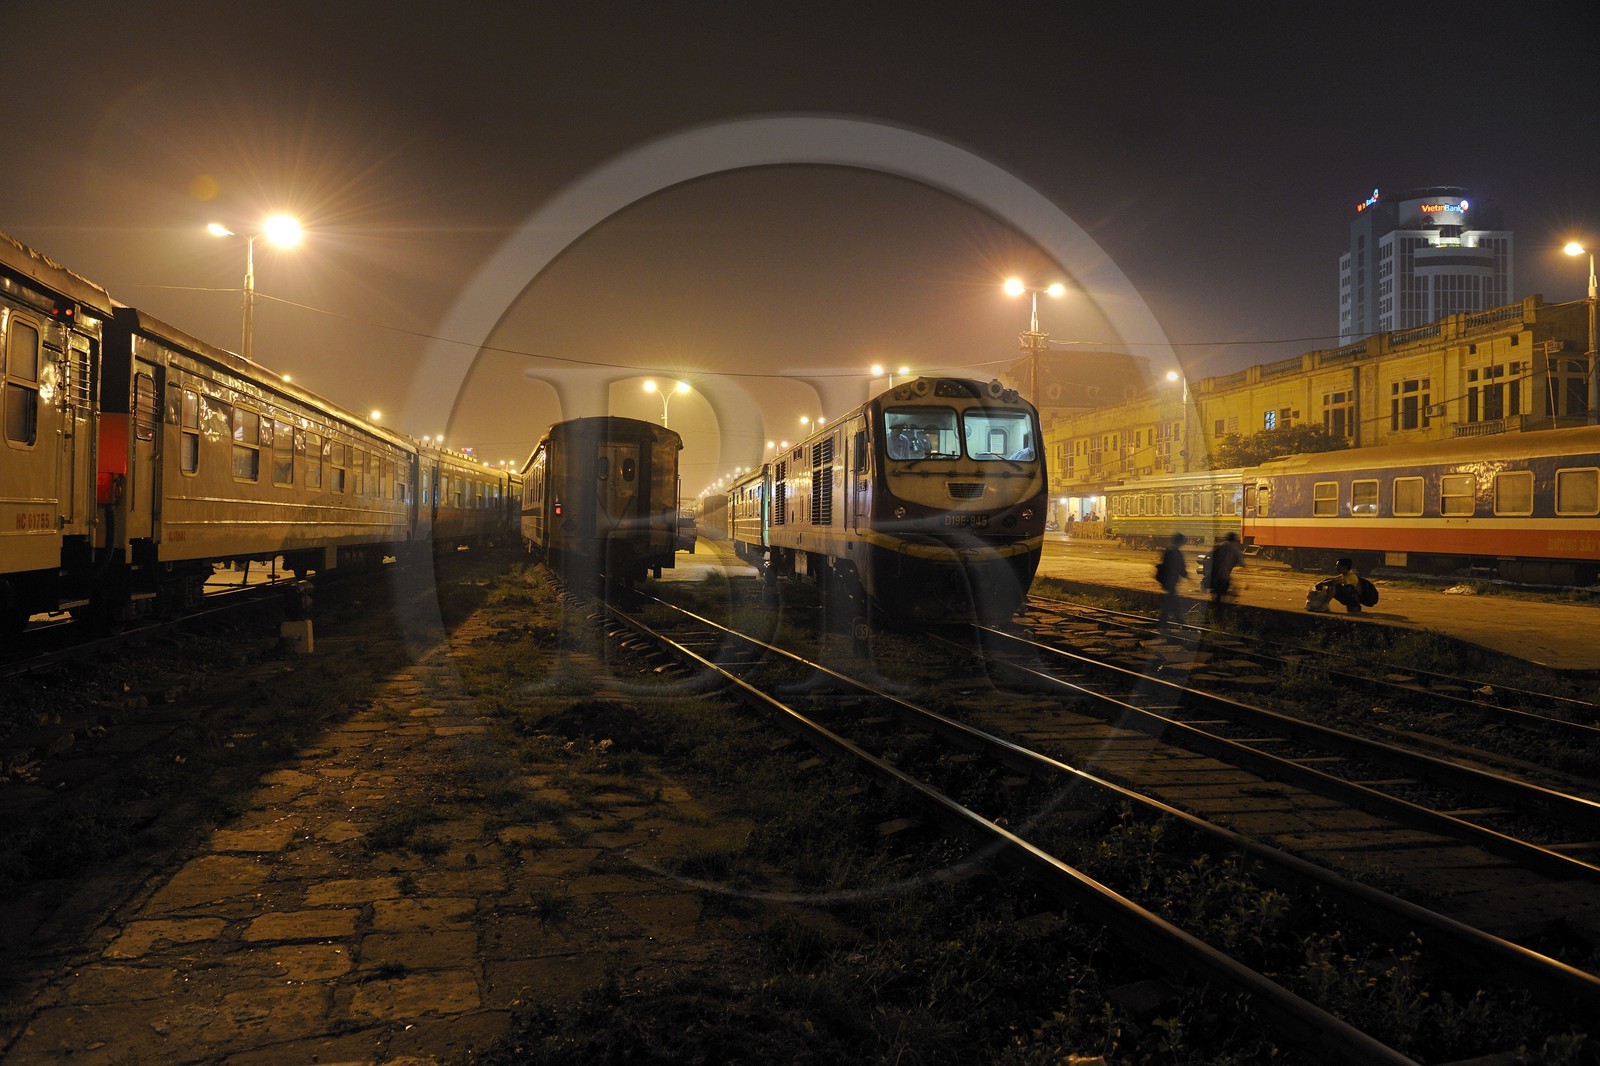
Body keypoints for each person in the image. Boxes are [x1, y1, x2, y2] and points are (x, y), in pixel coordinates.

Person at [1155, 532, 1188, 628]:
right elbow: (1181, 568)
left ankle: (1164, 620)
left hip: (1166, 579)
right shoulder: (1177, 553)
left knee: (1170, 600)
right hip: (1171, 580)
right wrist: (1185, 574)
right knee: (1173, 600)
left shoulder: (1168, 550)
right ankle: (1179, 621)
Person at [1207, 531, 1244, 612]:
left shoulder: (1219, 546)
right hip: (1224, 577)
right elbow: (1241, 562)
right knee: (1223, 594)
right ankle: (1220, 612)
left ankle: (1215, 610)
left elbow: (1209, 556)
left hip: (1216, 576)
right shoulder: (1234, 549)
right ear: (1234, 540)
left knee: (1217, 595)